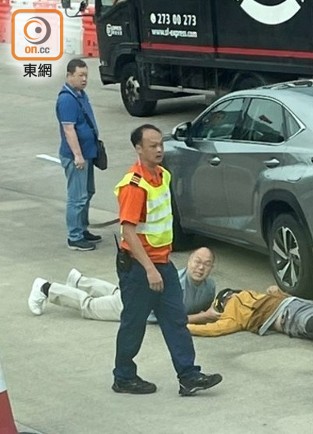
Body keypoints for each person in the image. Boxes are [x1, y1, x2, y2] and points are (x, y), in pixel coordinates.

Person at [112, 124, 221, 396]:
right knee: (134, 324)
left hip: (163, 264)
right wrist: (150, 270)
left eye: (160, 144)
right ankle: (123, 376)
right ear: (138, 148)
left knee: (175, 320)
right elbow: (128, 231)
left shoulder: (163, 176)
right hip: (139, 268)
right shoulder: (134, 186)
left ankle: (189, 376)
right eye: (152, 145)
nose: (159, 149)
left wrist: (160, 265)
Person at [27, 248, 220, 325]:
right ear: (188, 261)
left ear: (212, 267)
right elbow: (171, 320)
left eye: (206, 264)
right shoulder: (175, 286)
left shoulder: (210, 287)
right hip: (132, 306)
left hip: (137, 293)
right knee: (90, 306)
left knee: (116, 292)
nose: (200, 267)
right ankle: (45, 288)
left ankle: (78, 281)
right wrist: (204, 317)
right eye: (197, 261)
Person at [56, 58, 102, 251]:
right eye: (80, 75)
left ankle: (83, 229)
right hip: (78, 157)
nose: (84, 79)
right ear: (69, 76)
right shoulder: (67, 99)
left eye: (86, 75)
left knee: (88, 193)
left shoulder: (80, 94)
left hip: (88, 154)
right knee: (77, 197)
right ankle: (74, 236)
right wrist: (78, 155)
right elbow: (69, 129)